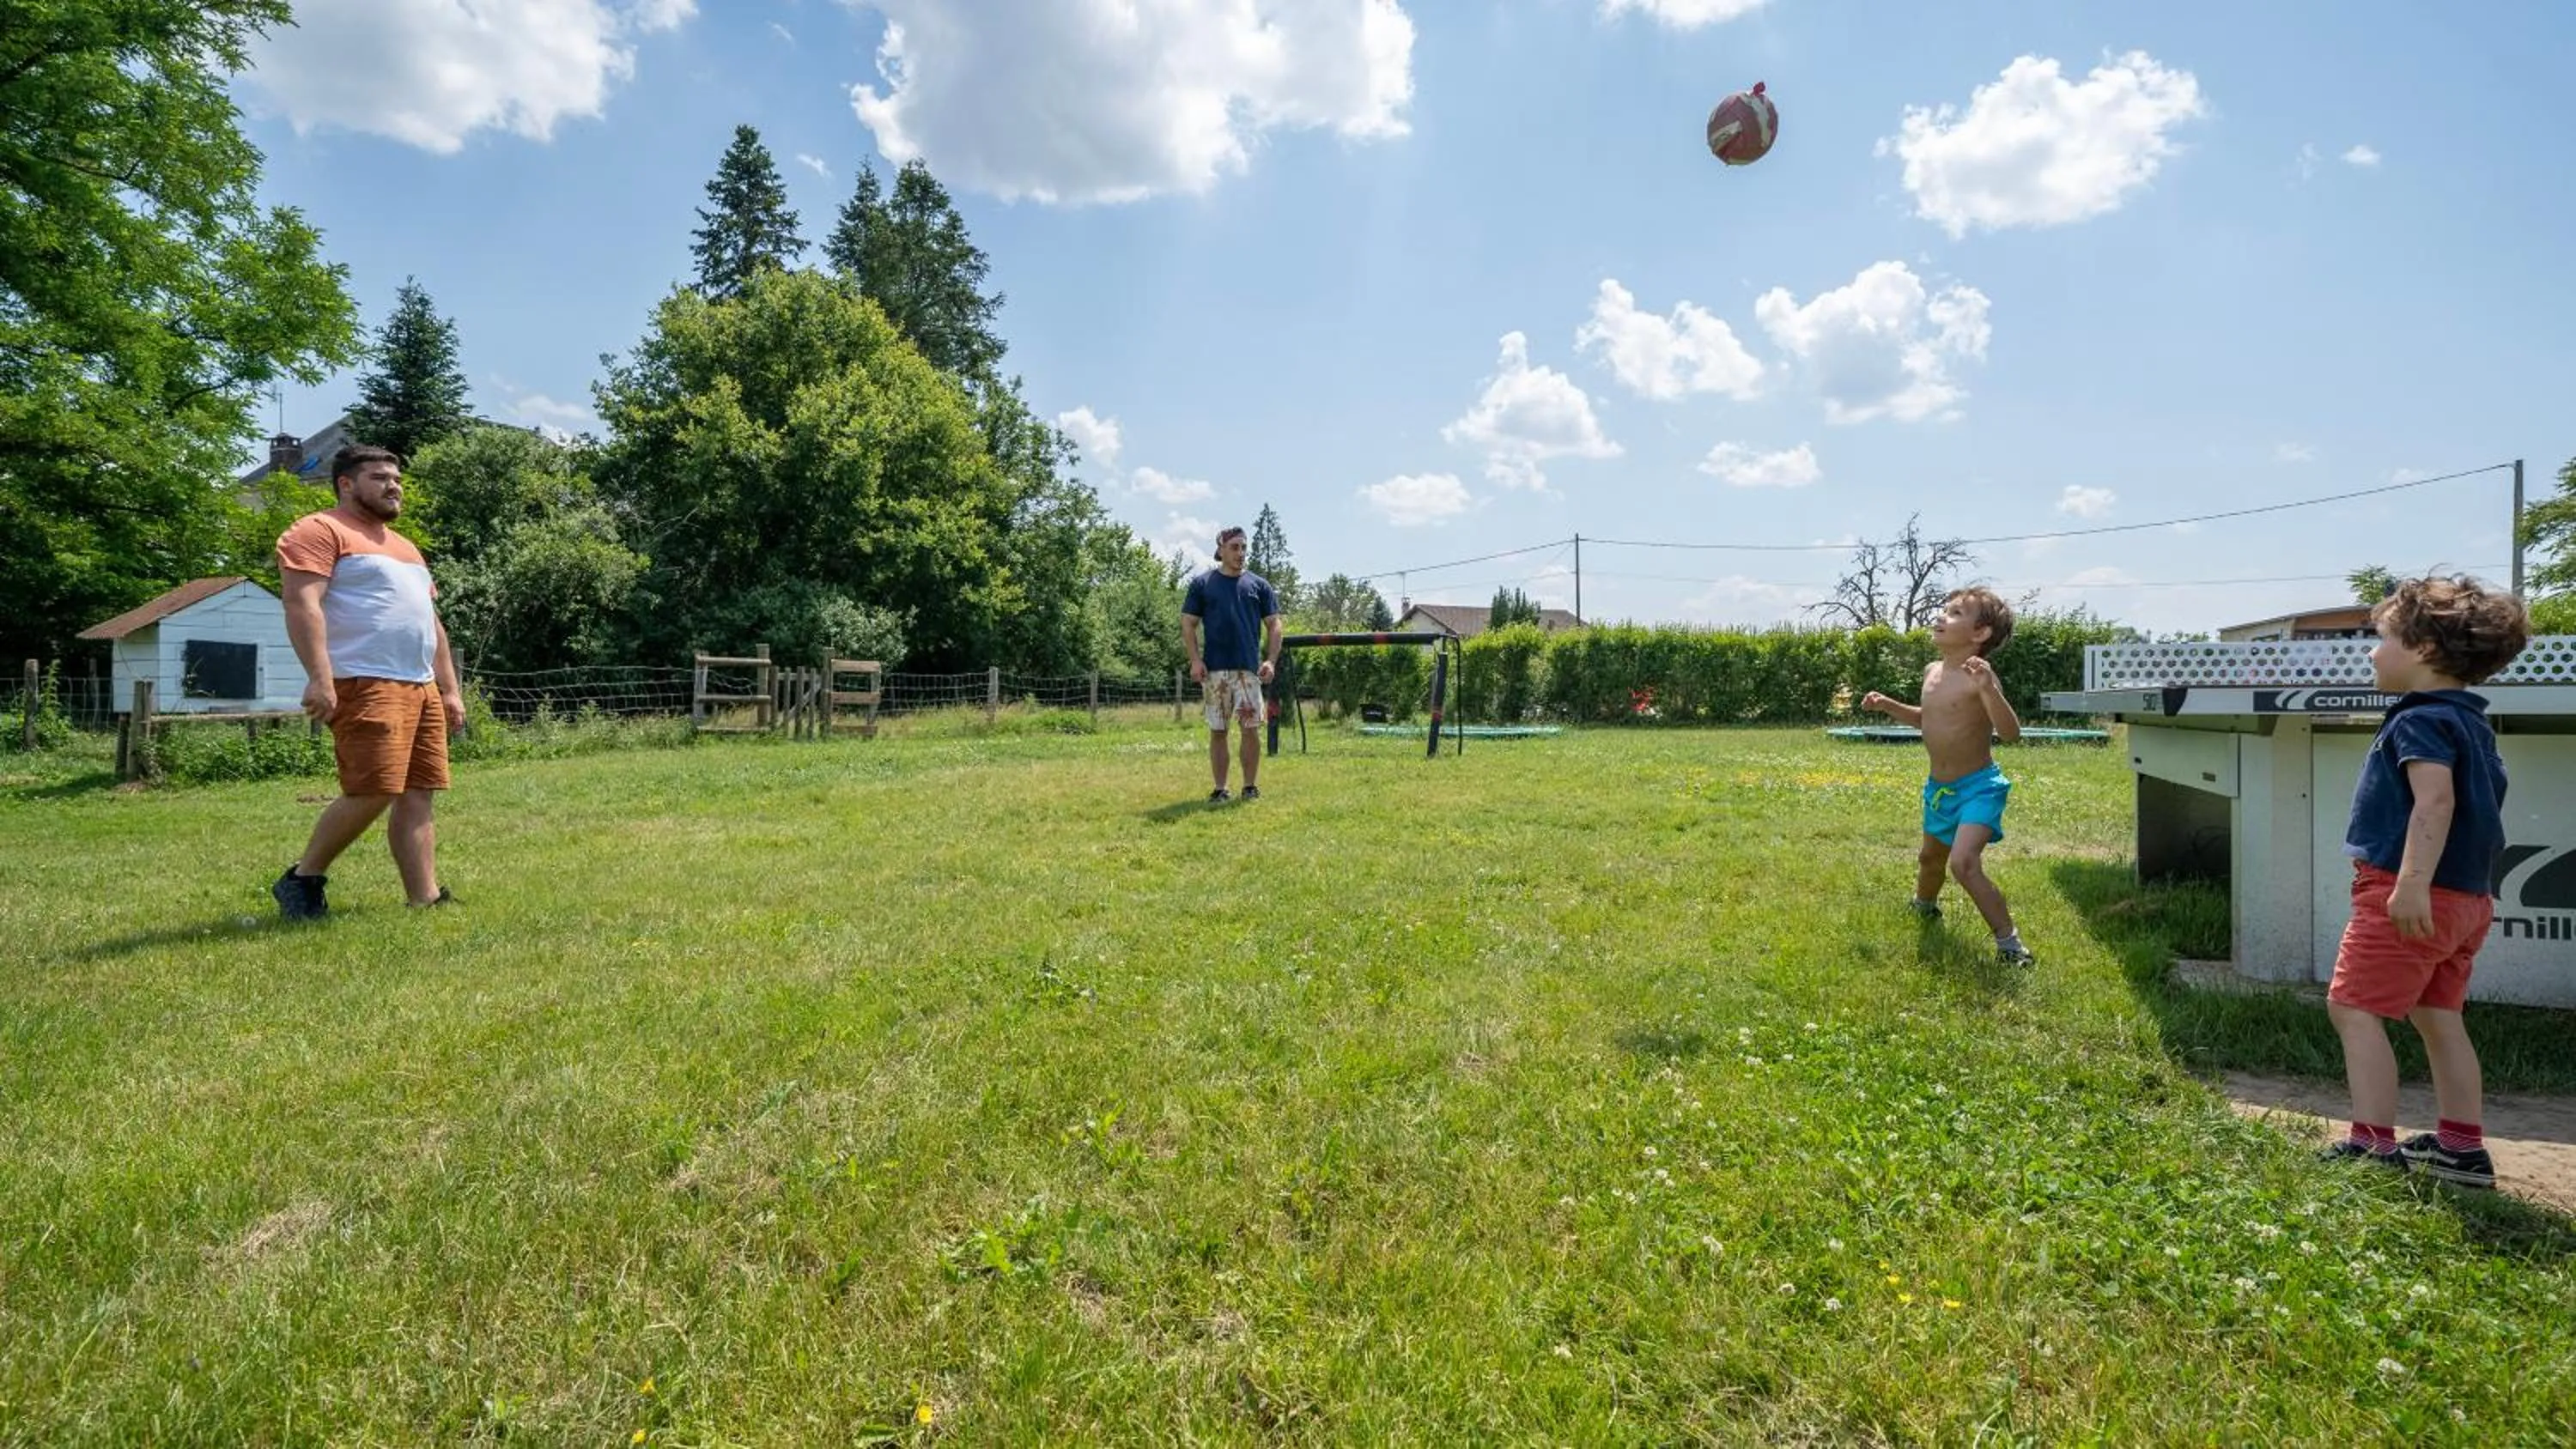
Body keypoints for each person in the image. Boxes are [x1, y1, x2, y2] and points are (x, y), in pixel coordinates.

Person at [2318, 574, 2530, 1188]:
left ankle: (2372, 1144)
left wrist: (2408, 884)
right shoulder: (2471, 722)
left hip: (2412, 894)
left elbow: (2432, 802)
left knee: (2354, 1008)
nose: (2370, 650)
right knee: (2440, 1016)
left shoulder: (2419, 720)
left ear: (2426, 652)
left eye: (2382, 638)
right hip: (2468, 899)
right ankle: (2462, 1150)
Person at [269, 445, 466, 919]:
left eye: (396, 479)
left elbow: (430, 622)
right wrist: (320, 677)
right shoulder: (319, 530)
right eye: (380, 478)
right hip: (365, 680)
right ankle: (302, 879)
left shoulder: (406, 548)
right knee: (374, 788)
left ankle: (426, 896)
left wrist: (450, 689)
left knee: (419, 791)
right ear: (346, 484)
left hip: (419, 686)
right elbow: (302, 605)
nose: (393, 486)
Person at [1860, 586, 2034, 966]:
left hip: (1978, 788)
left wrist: (1990, 689)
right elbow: (1928, 718)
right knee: (1930, 859)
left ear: (1980, 634)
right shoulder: (1932, 672)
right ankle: (1924, 906)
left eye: (1955, 613)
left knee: (1963, 865)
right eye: (1944, 610)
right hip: (1940, 790)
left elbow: (2010, 733)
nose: (1941, 617)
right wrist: (1887, 705)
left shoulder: (1980, 677)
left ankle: (2010, 945)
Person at [1180, 525, 1282, 803]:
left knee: (1250, 728)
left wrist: (1270, 661)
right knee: (1218, 730)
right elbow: (1188, 623)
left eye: (1244, 547)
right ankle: (1220, 788)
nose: (1241, 553)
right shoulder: (1203, 584)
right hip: (1214, 672)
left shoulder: (1259, 585)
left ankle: (1249, 786)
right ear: (1221, 550)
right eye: (1235, 547)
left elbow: (1274, 624)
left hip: (1248, 671)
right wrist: (1195, 660)